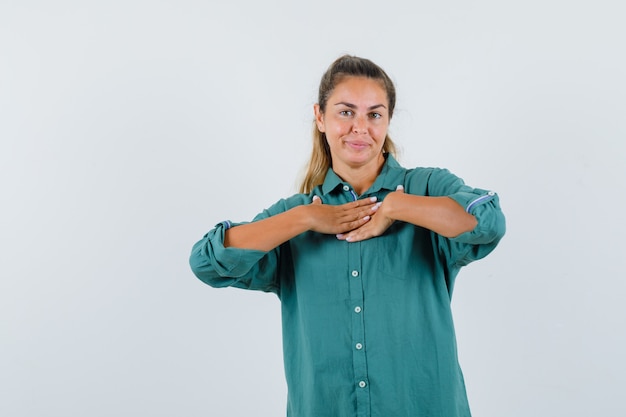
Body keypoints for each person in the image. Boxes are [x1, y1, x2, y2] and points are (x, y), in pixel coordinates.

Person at [189, 55, 506, 417]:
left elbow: (487, 221)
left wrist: (395, 207)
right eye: (345, 112)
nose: (360, 128)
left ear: (388, 121)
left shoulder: (427, 187)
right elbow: (206, 263)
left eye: (374, 114)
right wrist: (305, 217)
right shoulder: (295, 216)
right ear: (320, 117)